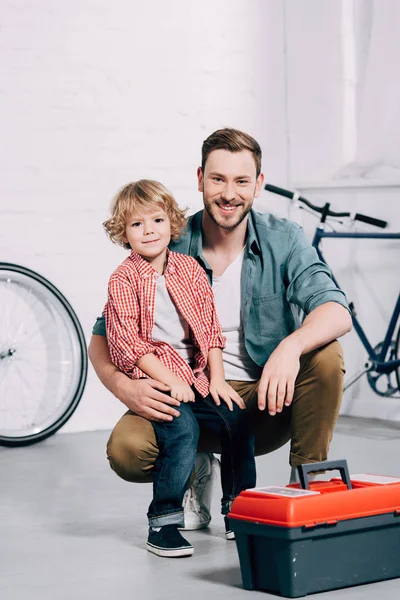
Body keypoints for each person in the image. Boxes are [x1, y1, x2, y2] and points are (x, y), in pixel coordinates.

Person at [89, 127, 352, 532]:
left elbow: (337, 310)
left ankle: (308, 485)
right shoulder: (165, 240)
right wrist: (122, 385)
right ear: (200, 179)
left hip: (264, 402)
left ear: (258, 185)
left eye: (241, 181)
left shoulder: (284, 239)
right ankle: (196, 467)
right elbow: (104, 337)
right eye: (218, 179)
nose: (229, 193)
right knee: (128, 450)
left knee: (326, 353)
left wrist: (289, 349)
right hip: (183, 393)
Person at [102, 180, 256, 557]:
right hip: (155, 376)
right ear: (124, 233)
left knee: (236, 417)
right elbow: (128, 344)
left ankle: (239, 508)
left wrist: (217, 379)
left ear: (172, 223)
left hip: (196, 375)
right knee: (182, 429)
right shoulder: (123, 279)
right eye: (137, 225)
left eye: (157, 220)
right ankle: (164, 522)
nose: (149, 230)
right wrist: (170, 380)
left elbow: (209, 327)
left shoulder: (189, 268)